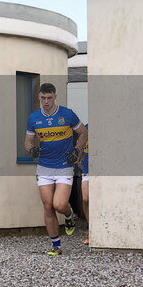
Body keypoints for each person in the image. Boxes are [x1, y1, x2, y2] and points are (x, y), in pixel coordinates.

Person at [24, 84, 87, 256]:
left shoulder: (67, 114)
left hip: (64, 166)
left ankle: (69, 215)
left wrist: (76, 150)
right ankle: (56, 246)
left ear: (55, 97)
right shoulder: (33, 118)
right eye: (43, 98)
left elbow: (83, 133)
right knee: (47, 206)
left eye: (49, 98)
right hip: (44, 167)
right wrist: (31, 149)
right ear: (39, 97)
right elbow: (28, 141)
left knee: (59, 204)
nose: (46, 102)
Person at [80, 124, 90, 245]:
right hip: (86, 171)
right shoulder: (85, 128)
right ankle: (90, 226)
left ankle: (91, 232)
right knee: (85, 199)